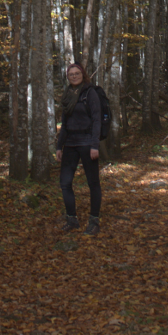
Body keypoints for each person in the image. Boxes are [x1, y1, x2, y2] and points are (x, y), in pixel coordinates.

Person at [56, 62, 101, 236]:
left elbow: (97, 120)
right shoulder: (68, 94)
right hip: (71, 143)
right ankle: (72, 219)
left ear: (83, 74)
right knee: (65, 183)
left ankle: (94, 220)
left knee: (93, 183)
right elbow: (64, 123)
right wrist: (60, 146)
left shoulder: (90, 93)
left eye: (77, 73)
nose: (74, 76)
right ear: (68, 77)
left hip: (87, 142)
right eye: (71, 74)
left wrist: (94, 145)